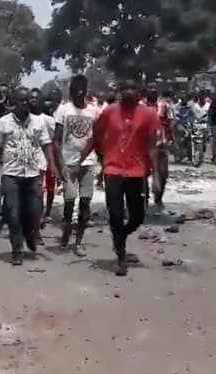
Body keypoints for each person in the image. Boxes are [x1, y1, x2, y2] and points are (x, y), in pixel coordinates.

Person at [79, 78, 158, 276]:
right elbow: (96, 137)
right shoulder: (109, 112)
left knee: (138, 216)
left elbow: (152, 147)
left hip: (137, 171)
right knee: (115, 213)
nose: (129, 92)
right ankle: (121, 255)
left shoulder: (149, 114)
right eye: (125, 88)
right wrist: (81, 160)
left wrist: (156, 175)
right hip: (113, 170)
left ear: (139, 92)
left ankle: (120, 235)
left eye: (133, 88)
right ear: (120, 92)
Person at [0, 87, 57, 266]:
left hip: (33, 174)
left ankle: (30, 233)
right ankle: (17, 249)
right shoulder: (4, 122)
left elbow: (46, 145)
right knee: (13, 213)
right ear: (14, 102)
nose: (25, 103)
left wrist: (52, 165)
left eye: (27, 100)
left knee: (34, 211)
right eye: (21, 100)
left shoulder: (39, 122)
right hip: (11, 174)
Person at [53, 75, 100, 255]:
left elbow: (94, 138)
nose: (79, 95)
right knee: (69, 202)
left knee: (85, 203)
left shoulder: (93, 112)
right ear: (71, 92)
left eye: (82, 91)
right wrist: (61, 166)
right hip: (68, 163)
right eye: (75, 91)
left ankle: (78, 241)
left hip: (87, 163)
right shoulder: (63, 110)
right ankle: (66, 232)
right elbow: (57, 141)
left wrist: (82, 159)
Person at [30, 89, 58, 228]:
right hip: (31, 159)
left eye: (36, 98)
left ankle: (46, 213)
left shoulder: (48, 120)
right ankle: (37, 216)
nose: (33, 101)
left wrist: (55, 162)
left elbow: (55, 140)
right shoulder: (25, 118)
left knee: (49, 188)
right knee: (37, 190)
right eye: (31, 98)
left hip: (47, 157)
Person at [143, 86, 170, 209]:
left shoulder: (164, 106)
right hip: (144, 144)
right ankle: (144, 198)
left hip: (161, 144)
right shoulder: (141, 107)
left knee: (162, 172)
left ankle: (158, 198)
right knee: (142, 173)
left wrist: (168, 137)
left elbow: (171, 121)